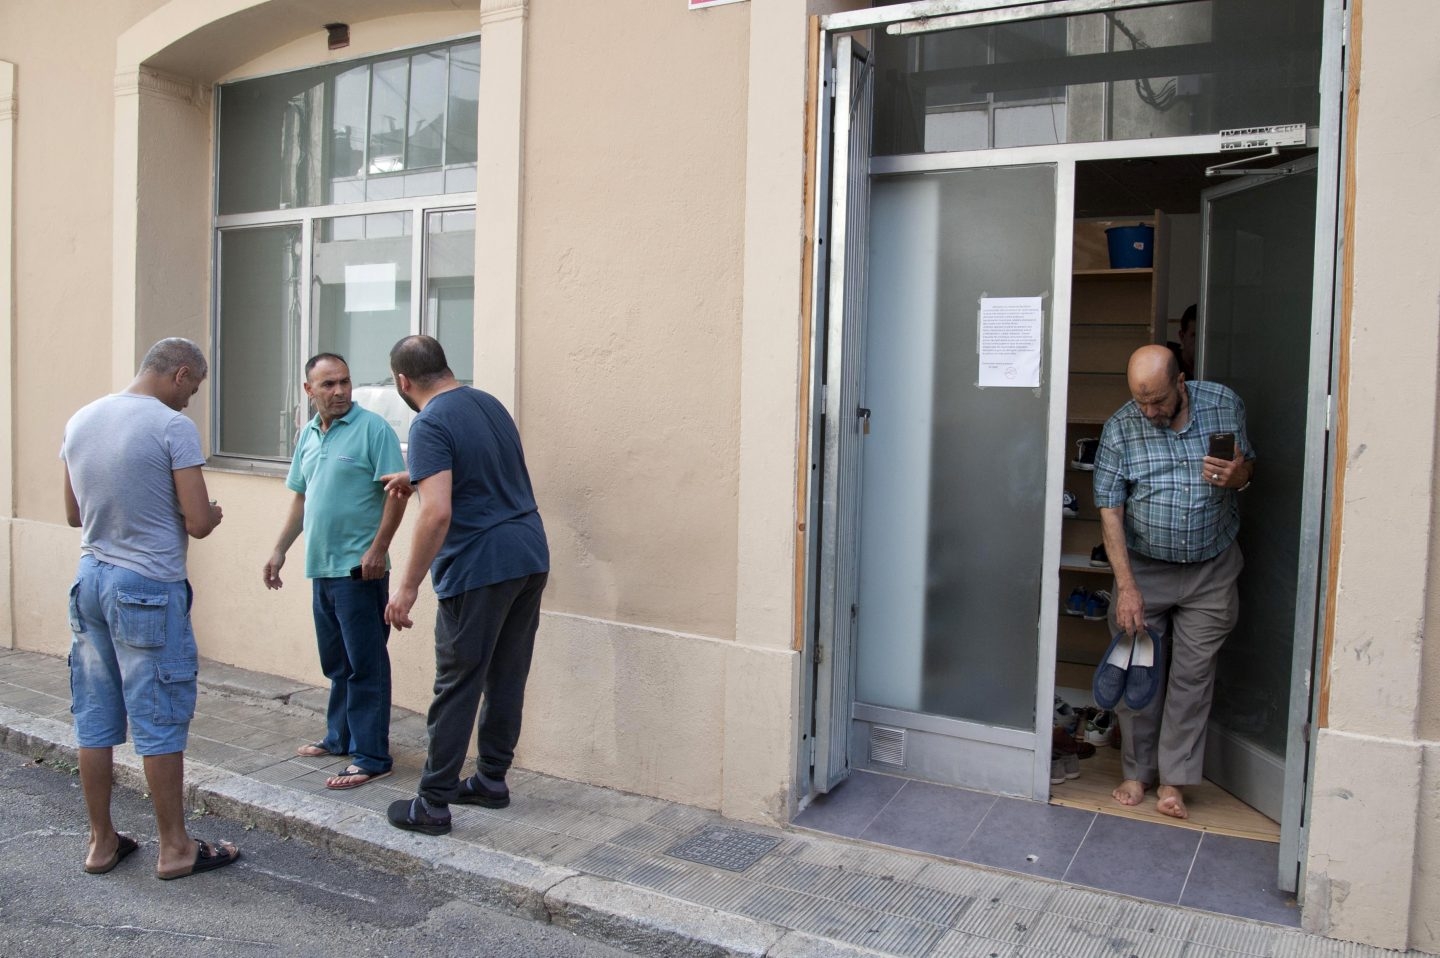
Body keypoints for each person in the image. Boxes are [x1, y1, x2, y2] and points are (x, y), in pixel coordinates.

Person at [61, 337, 240, 879]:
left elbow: (73, 514)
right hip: (147, 585)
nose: (191, 401)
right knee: (159, 715)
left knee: (95, 718)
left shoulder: (81, 419)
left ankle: (101, 842)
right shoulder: (170, 427)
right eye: (194, 388)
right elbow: (195, 521)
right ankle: (175, 847)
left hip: (90, 578)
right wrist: (212, 512)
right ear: (180, 374)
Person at [381, 335, 549, 836]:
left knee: (458, 682)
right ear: (445, 366)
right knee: (506, 674)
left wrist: (407, 586)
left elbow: (438, 512)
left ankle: (433, 804)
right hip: (528, 553)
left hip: (479, 565)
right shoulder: (487, 403)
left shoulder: (429, 421)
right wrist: (417, 474)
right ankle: (491, 780)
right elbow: (480, 470)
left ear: (402, 382)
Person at [1092, 344, 1255, 820]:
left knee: (1192, 677)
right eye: (1141, 401)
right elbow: (1109, 509)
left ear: (1180, 383)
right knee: (1138, 671)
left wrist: (1237, 475)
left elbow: (1249, 469)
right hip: (1145, 567)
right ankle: (1137, 772)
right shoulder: (1122, 428)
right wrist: (1127, 587)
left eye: (1158, 401)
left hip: (1211, 566)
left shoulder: (1224, 405)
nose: (1150, 411)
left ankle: (1174, 781)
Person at [263, 353, 408, 789]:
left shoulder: (373, 429)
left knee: (365, 664)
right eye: (328, 385)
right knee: (337, 662)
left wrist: (378, 550)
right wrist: (279, 550)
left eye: (344, 382)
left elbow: (397, 494)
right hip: (321, 568)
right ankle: (339, 737)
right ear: (309, 391)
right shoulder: (308, 434)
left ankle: (372, 755)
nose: (340, 391)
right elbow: (301, 499)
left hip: (359, 570)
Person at [1166, 304, 1197, 381]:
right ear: (1182, 336)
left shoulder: (1215, 368)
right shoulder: (1169, 365)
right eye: (1194, 335)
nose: (1200, 344)